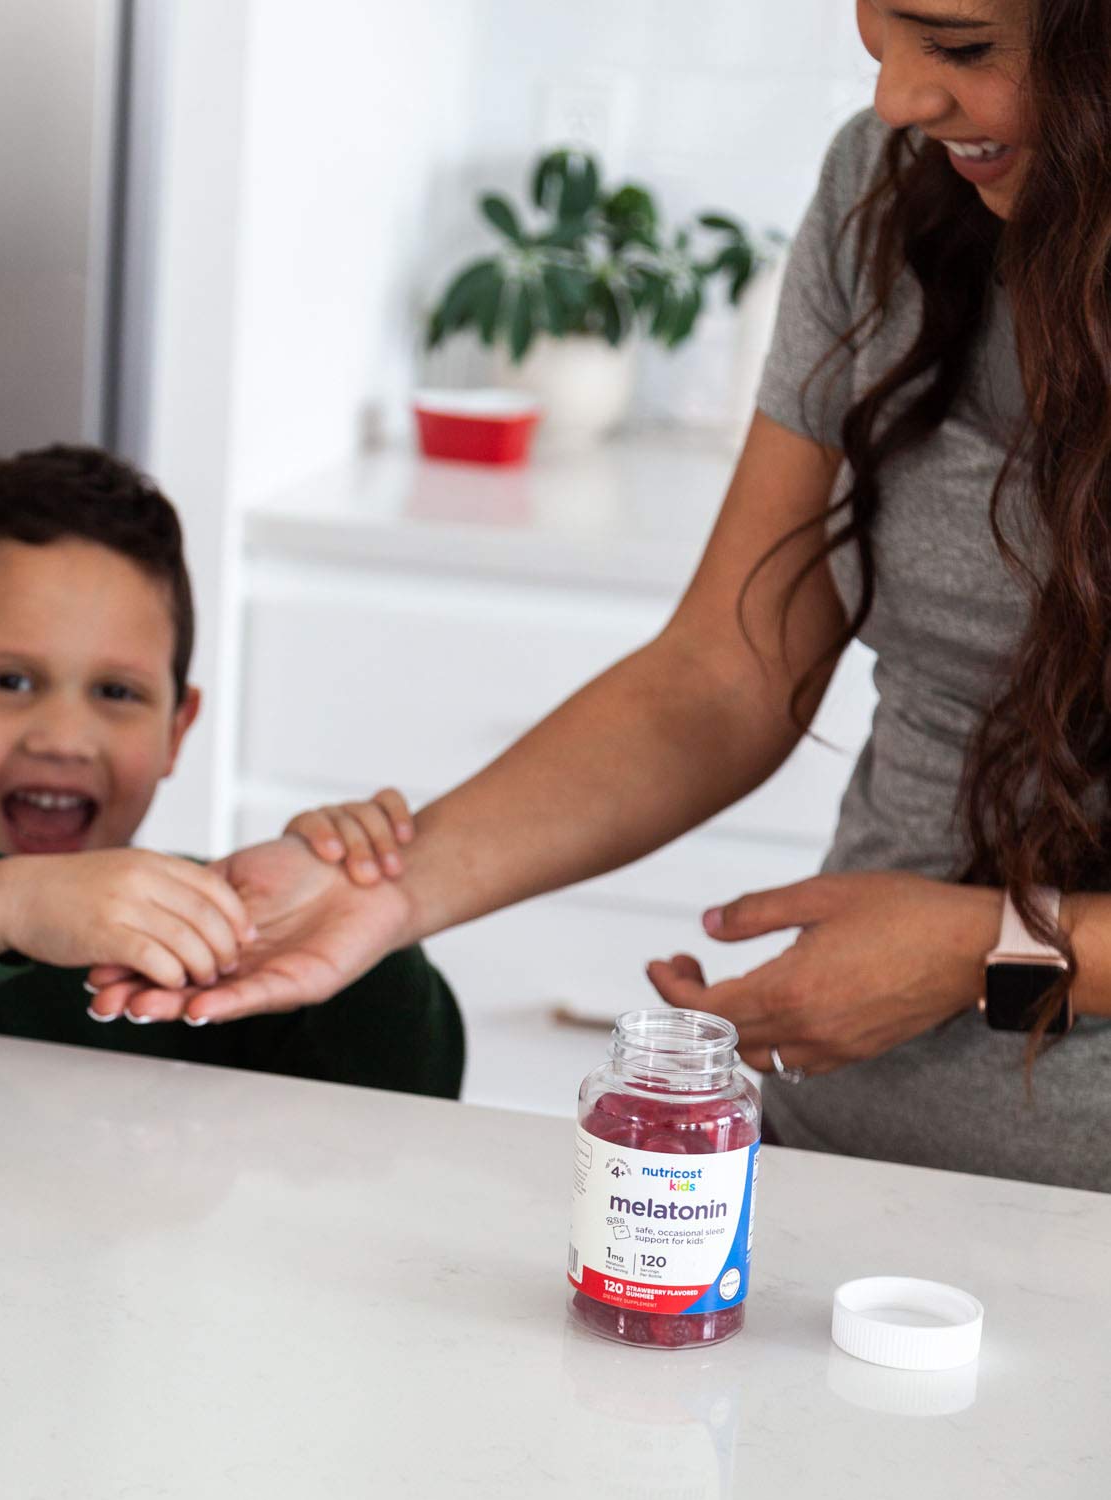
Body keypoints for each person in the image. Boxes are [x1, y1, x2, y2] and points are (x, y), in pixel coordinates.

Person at [95, 0, 1111, 1192]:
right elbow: (726, 672)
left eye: (963, 46)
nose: (898, 98)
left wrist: (983, 950)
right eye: (880, 31)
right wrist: (389, 892)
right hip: (839, 1162)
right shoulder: (887, 191)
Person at [0, 445, 462, 1094]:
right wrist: (4, 904)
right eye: (10, 681)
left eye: (116, 692)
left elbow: (412, 1084)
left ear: (176, 731)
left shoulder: (231, 933)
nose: (65, 740)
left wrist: (366, 918)